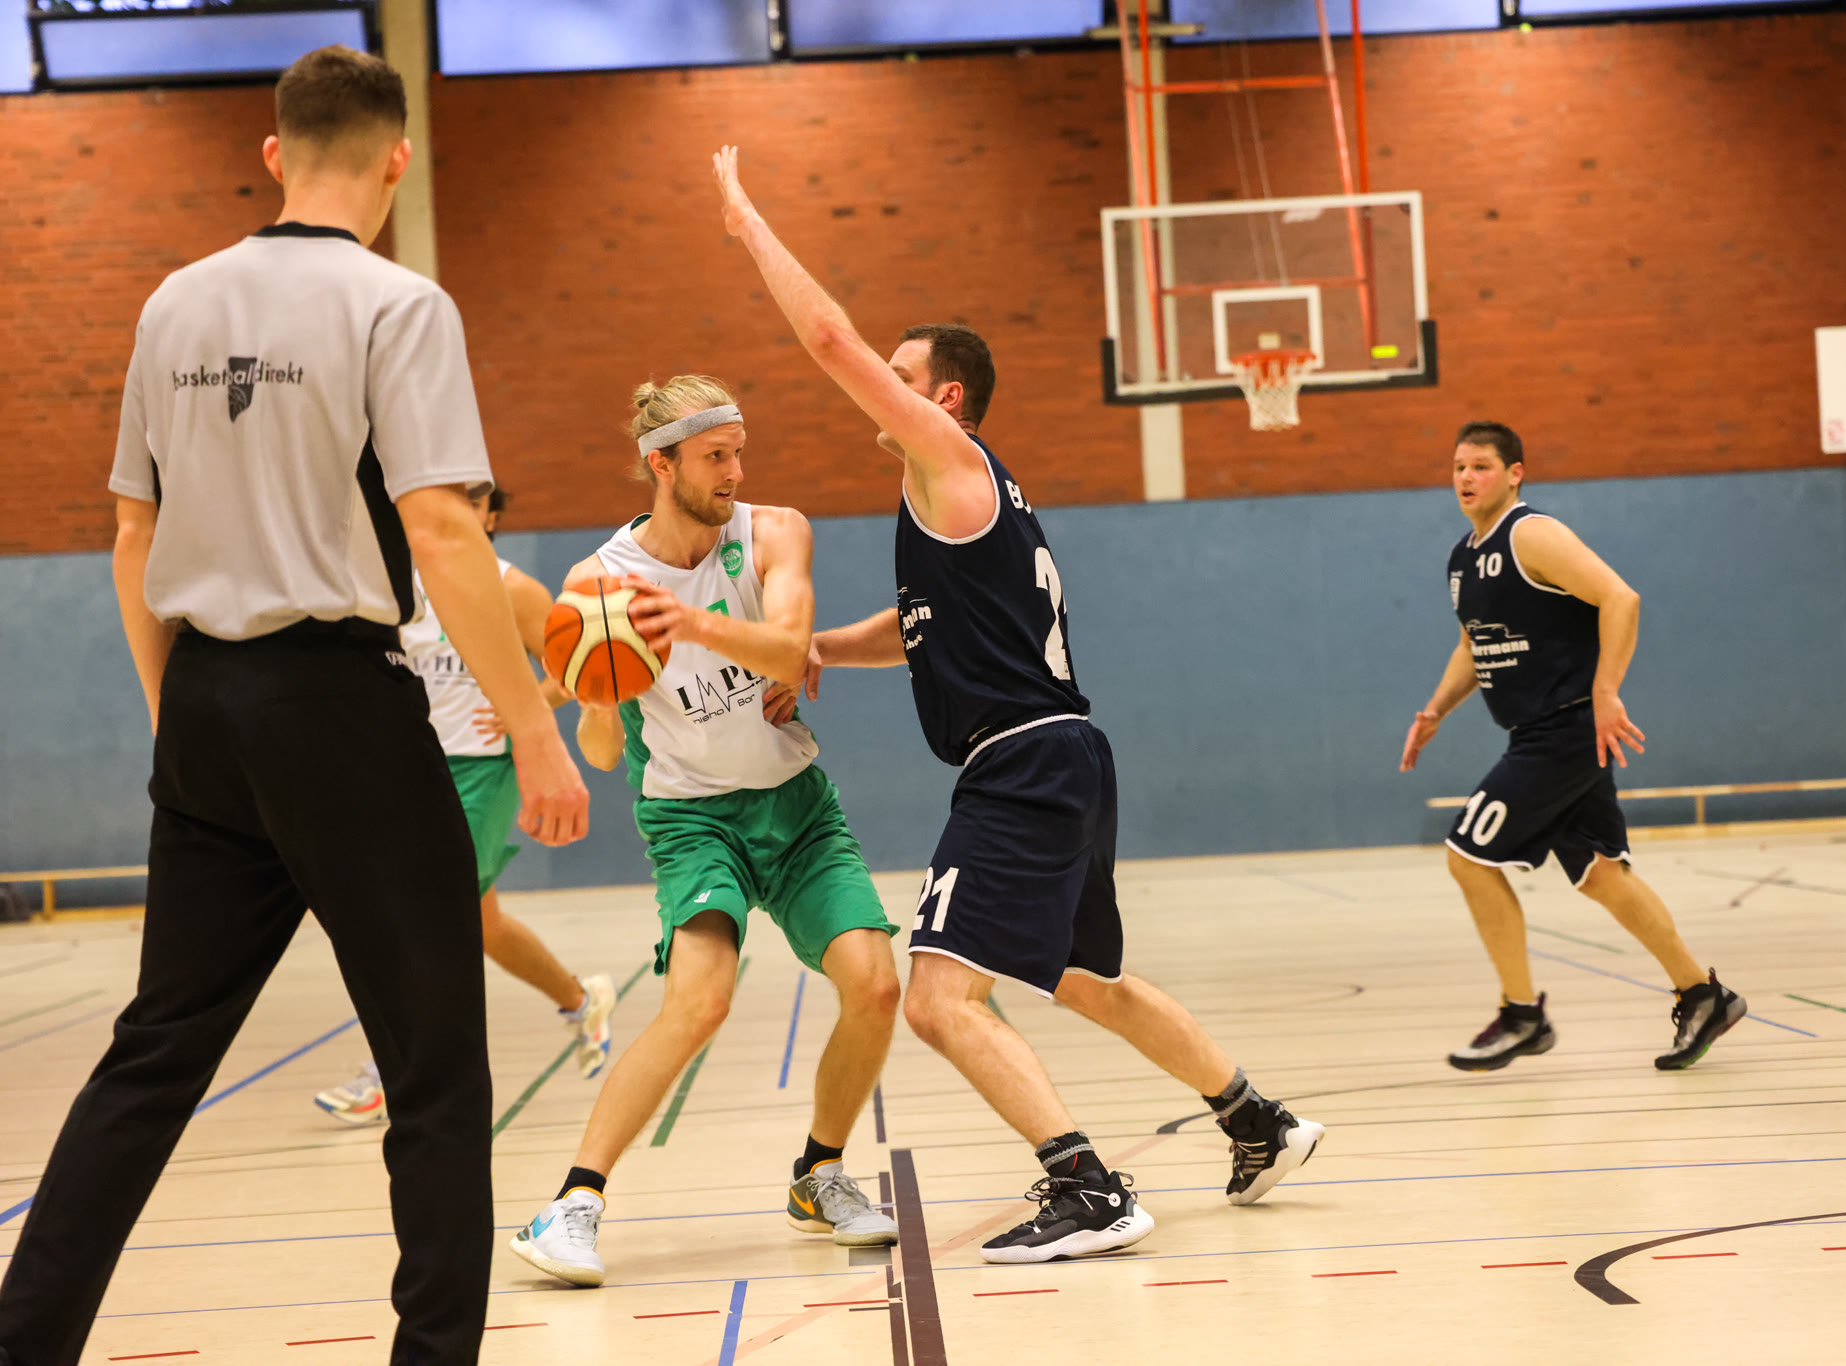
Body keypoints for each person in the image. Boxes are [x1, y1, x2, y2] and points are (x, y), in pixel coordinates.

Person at [0, 47, 587, 1366]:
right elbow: (441, 527)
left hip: (206, 700)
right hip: (340, 706)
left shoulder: (172, 302)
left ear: (274, 153)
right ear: (398, 159)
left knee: (154, 1052)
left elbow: (131, 536)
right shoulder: (399, 304)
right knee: (436, 1068)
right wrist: (535, 724)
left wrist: (179, 716)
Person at [711, 146, 1323, 1267]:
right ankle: (1257, 1121)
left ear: (942, 396)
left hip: (1021, 765)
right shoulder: (959, 503)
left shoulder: (947, 458)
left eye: (902, 371)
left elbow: (830, 340)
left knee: (937, 999)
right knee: (1086, 979)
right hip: (1065, 750)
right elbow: (917, 629)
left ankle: (1086, 1187)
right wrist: (813, 650)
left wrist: (750, 226)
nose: (880, 379)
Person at [508, 375, 901, 1288]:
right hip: (692, 819)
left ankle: (819, 1174)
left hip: (796, 806)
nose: (735, 471)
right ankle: (572, 1203)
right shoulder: (598, 583)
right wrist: (596, 702)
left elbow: (790, 645)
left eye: (739, 453)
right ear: (662, 463)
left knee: (876, 985)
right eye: (715, 456)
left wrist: (689, 623)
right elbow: (604, 751)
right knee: (700, 1003)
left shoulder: (775, 532)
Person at [1401, 422, 1744, 1072]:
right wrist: (1436, 709)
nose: (1466, 477)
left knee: (1468, 856)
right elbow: (1474, 643)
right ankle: (1703, 994)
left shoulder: (1531, 534)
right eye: (1458, 467)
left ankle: (1522, 1015)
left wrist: (1607, 690)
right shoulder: (1462, 559)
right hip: (1542, 733)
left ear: (1514, 474)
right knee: (1601, 875)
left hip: (1565, 731)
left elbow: (1620, 598)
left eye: (1481, 466)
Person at [314, 485, 618, 1125]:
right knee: (481, 924)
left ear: (490, 516)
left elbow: (577, 666)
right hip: (411, 767)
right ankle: (580, 998)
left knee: (426, 917)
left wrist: (526, 709)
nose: (456, 509)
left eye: (472, 500)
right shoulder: (391, 585)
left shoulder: (513, 588)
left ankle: (395, 1071)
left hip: (485, 768)